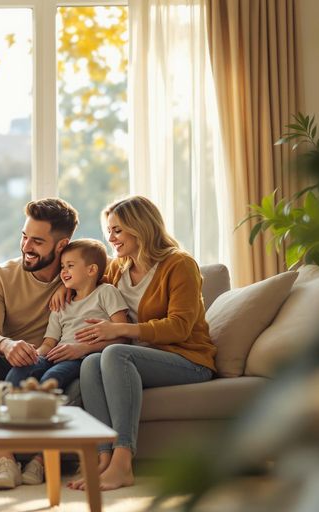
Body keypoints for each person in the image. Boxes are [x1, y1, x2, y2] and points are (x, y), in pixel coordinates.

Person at [67, 196, 216, 492]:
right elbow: (86, 282)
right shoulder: (118, 268)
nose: (111, 238)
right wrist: (64, 289)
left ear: (140, 227)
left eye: (117, 230)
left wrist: (121, 329)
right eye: (109, 231)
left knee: (115, 354)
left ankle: (123, 463)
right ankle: (103, 457)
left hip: (188, 360)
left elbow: (180, 326)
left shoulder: (179, 264)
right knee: (91, 362)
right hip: (142, 357)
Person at [0, 198, 79, 490]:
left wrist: (71, 285)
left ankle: (42, 459)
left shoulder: (79, 271)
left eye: (37, 241)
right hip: (8, 359)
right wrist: (7, 345)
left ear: (61, 245)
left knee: (83, 372)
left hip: (51, 363)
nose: (26, 246)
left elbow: (108, 281)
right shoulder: (2, 276)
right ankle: (3, 458)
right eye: (24, 236)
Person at [5, 238, 129, 392]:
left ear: (91, 270)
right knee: (20, 371)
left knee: (52, 377)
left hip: (83, 358)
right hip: (56, 355)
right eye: (62, 266)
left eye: (70, 266)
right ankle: (9, 405)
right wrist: (35, 355)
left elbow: (123, 336)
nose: (63, 271)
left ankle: (41, 405)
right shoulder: (61, 304)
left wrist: (83, 348)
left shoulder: (106, 292)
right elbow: (49, 343)